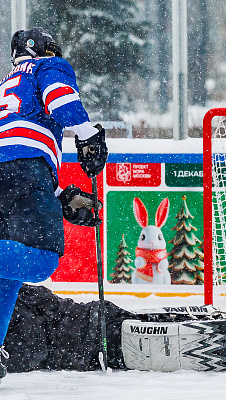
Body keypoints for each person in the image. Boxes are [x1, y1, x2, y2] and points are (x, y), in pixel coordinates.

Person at [0, 27, 108, 381]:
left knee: (7, 276)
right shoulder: (47, 66)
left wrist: (59, 195)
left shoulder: (5, 83)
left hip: (13, 171)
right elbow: (60, 99)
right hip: (25, 167)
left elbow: (14, 138)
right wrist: (88, 133)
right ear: (41, 49)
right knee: (41, 261)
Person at [3, 283, 226, 374]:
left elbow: (32, 350)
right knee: (155, 333)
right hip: (97, 323)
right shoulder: (9, 290)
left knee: (164, 344)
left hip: (96, 342)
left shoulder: (9, 303)